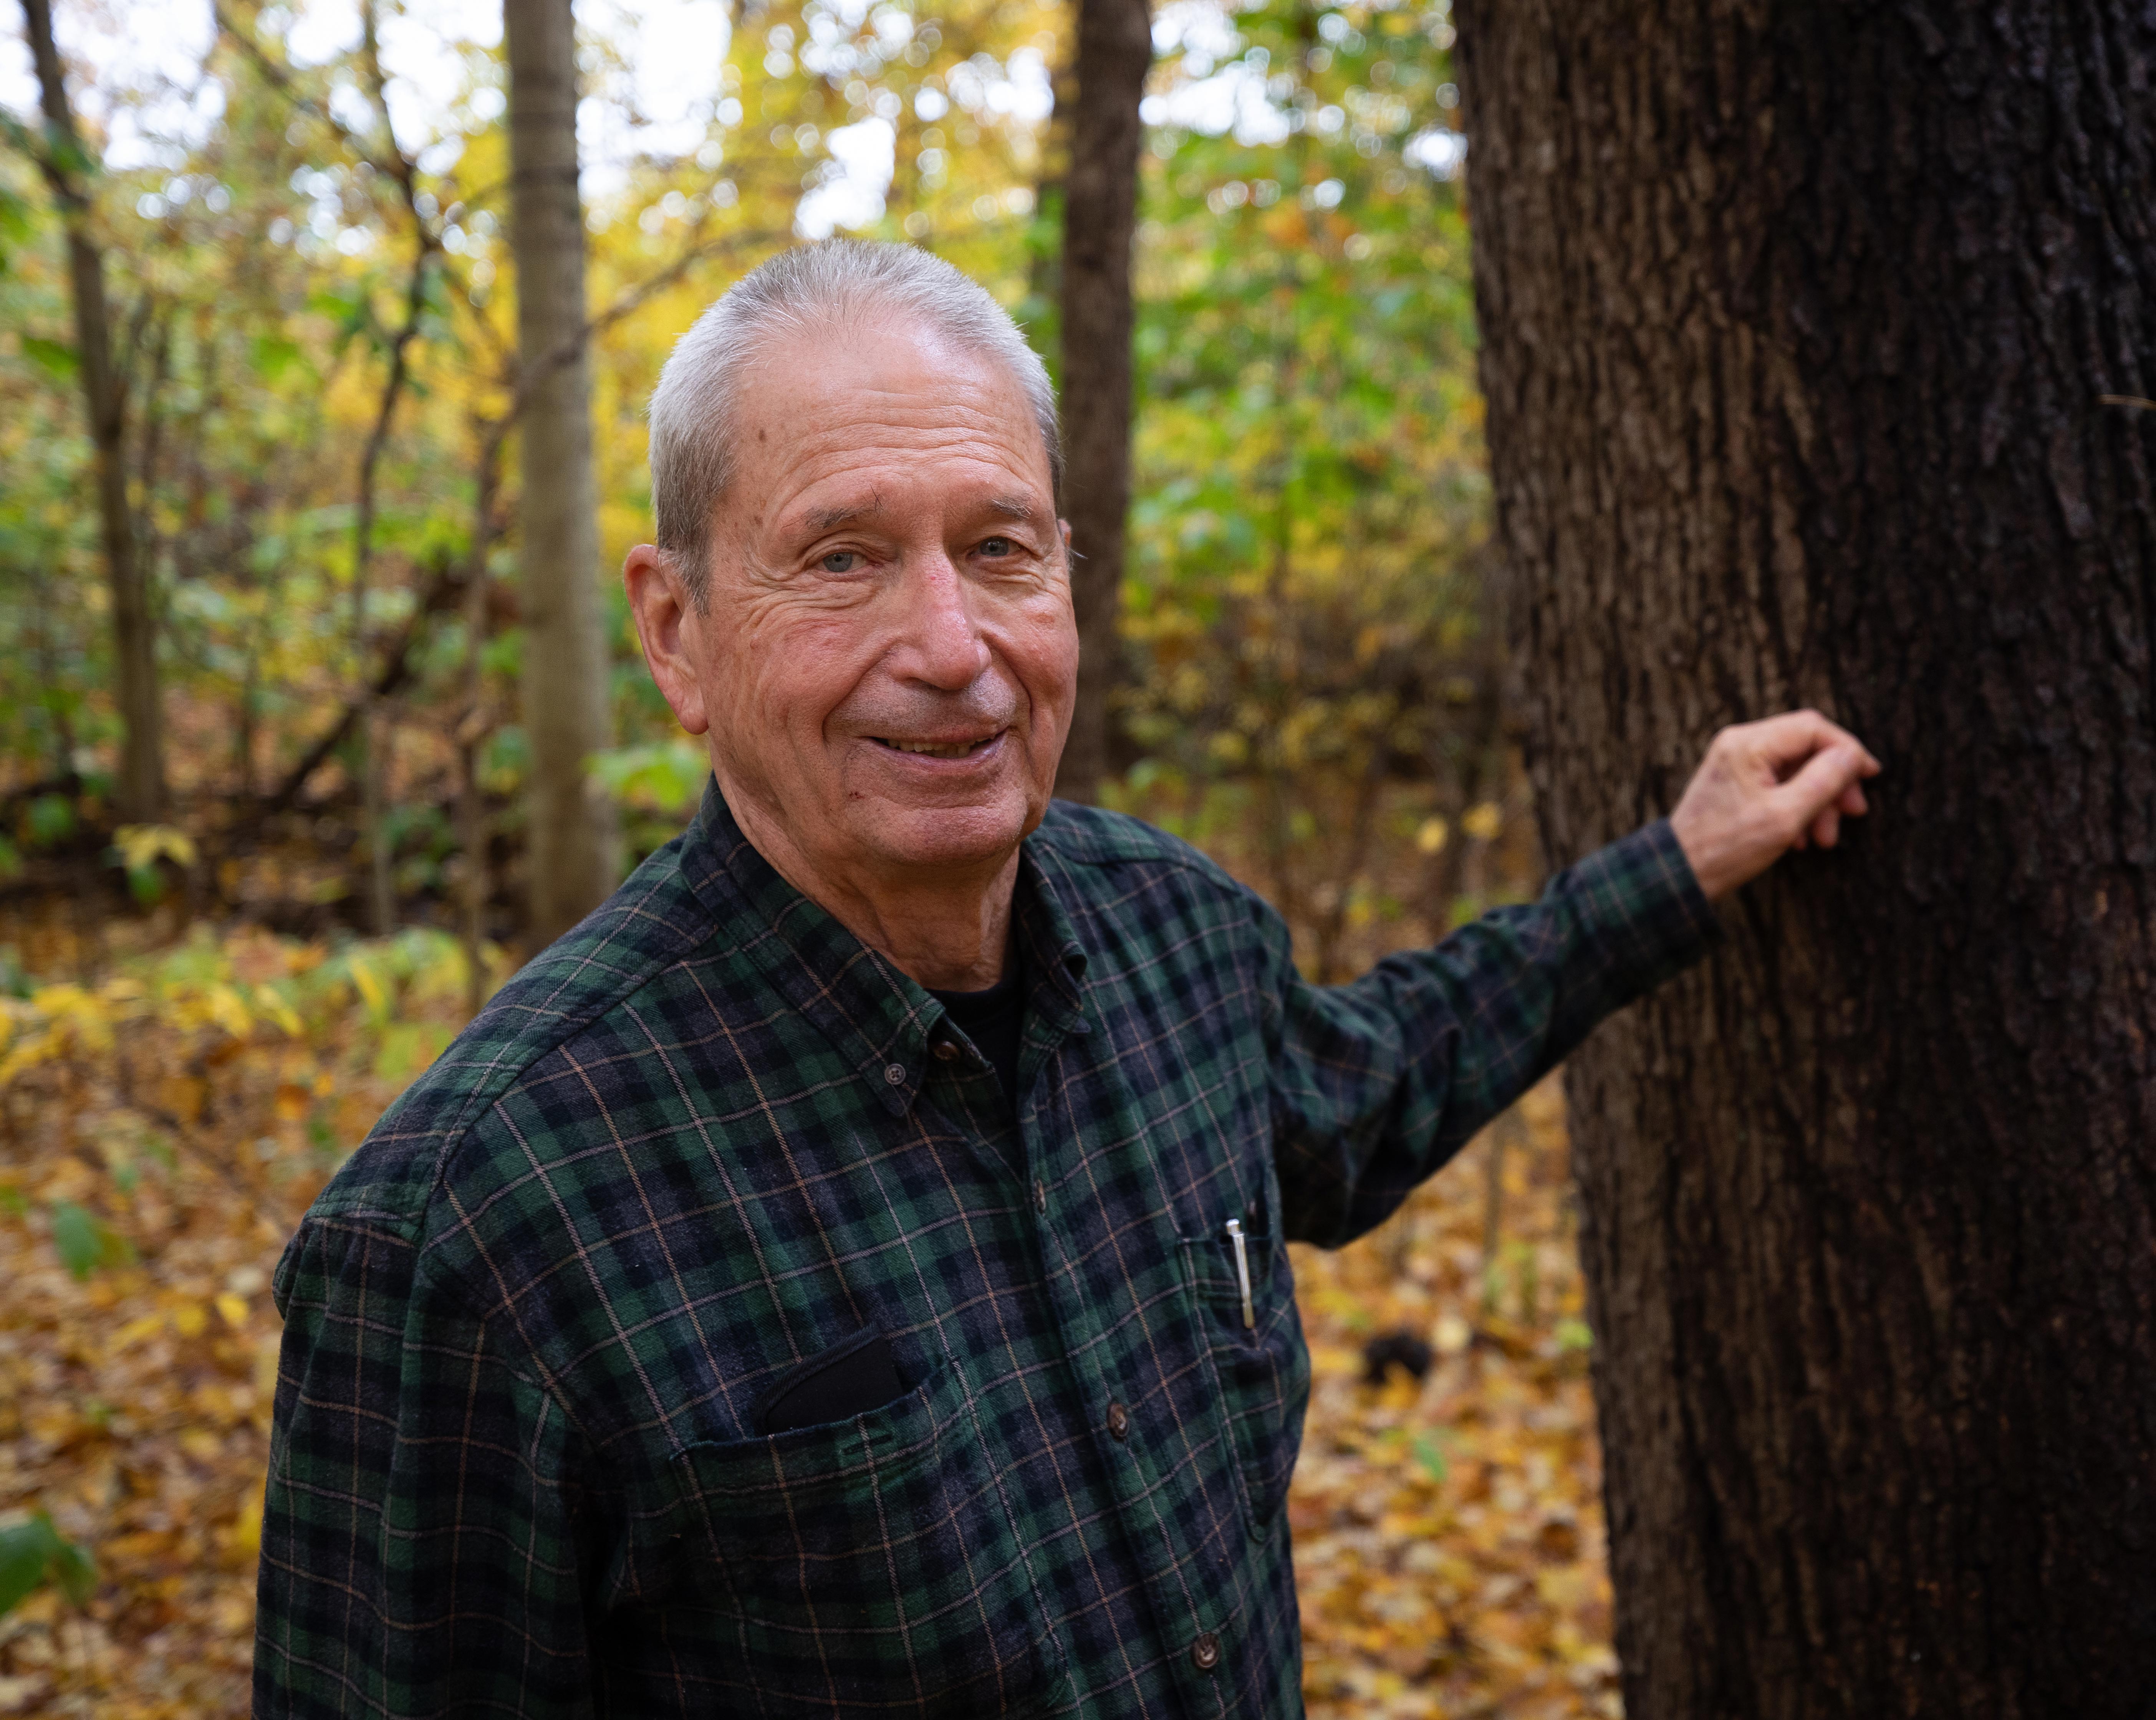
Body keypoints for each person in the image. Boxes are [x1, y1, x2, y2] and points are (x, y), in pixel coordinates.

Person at [252, 240, 1877, 1720]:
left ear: (1066, 578)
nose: (953, 643)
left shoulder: (1174, 933)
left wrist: (1673, 870)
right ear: (678, 633)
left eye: (998, 548)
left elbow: (1369, 1087)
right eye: (843, 560)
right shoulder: (473, 1234)